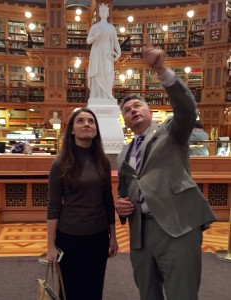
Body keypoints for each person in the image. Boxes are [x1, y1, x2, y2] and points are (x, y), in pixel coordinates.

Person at [115, 44, 216, 300]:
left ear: (150, 112)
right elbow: (125, 188)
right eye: (127, 110)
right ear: (124, 121)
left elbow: (186, 109)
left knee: (182, 293)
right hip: (140, 235)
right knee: (147, 293)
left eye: (138, 106)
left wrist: (160, 70)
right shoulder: (124, 152)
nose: (133, 111)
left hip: (177, 226)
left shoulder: (172, 132)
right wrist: (122, 205)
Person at [47, 107, 118, 300]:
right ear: (71, 129)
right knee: (70, 289)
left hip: (98, 236)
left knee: (94, 288)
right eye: (80, 121)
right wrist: (50, 246)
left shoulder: (102, 161)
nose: (87, 124)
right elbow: (53, 206)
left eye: (91, 121)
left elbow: (108, 200)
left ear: (96, 130)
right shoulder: (60, 163)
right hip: (69, 237)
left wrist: (113, 236)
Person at [87, 3, 121, 99]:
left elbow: (116, 43)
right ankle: (96, 95)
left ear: (107, 13)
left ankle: (107, 93)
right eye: (101, 11)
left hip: (107, 53)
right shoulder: (94, 27)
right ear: (99, 13)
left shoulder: (111, 28)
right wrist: (95, 37)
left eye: (105, 11)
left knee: (108, 72)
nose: (103, 12)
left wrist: (118, 54)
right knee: (97, 72)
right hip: (96, 52)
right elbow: (88, 41)